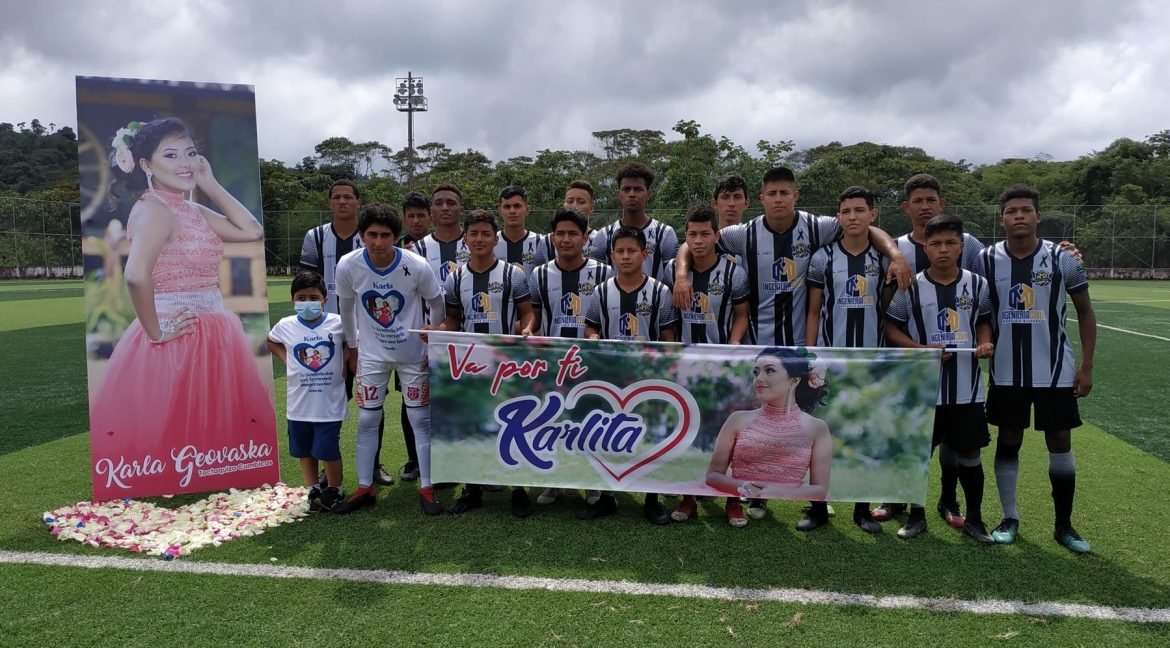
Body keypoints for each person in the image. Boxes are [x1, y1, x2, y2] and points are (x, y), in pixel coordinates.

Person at [673, 166, 911, 522]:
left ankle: (818, 503)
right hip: (760, 346)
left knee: (810, 424)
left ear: (795, 196)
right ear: (762, 198)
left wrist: (896, 255)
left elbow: (865, 227)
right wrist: (681, 274)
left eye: (785, 192)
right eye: (772, 193)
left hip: (801, 347)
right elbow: (693, 240)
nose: (779, 199)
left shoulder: (817, 227)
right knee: (758, 428)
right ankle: (756, 496)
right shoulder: (743, 234)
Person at [90, 117, 276, 491]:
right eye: (171, 155)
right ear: (145, 164)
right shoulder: (155, 210)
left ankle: (199, 476)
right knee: (175, 418)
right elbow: (135, 275)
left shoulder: (189, 208)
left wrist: (210, 184)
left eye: (190, 153)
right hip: (179, 329)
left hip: (212, 326)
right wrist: (156, 332)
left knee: (207, 416)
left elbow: (252, 231)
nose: (185, 163)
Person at [980, 185, 1097, 554]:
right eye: (1011, 211)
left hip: (1055, 370)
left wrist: (1087, 366)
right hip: (1006, 371)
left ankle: (1064, 525)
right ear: (1002, 218)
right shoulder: (984, 259)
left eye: (1026, 210)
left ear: (1037, 216)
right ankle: (1009, 517)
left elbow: (1085, 312)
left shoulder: (1062, 258)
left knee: (1060, 440)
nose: (1019, 216)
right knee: (1009, 439)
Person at [872, 173, 984, 527]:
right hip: (909, 358)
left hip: (957, 365)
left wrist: (1066, 249)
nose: (924, 207)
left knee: (952, 438)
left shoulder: (970, 245)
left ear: (941, 203)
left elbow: (983, 292)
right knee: (909, 435)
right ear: (906, 207)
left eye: (930, 200)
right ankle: (897, 499)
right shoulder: (895, 247)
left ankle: (949, 499)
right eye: (917, 201)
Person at [885, 214, 996, 543]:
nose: (943, 249)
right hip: (923, 390)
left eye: (950, 243)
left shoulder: (978, 285)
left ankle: (975, 519)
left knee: (970, 455)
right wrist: (922, 350)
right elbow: (891, 328)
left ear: (961, 246)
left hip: (967, 390)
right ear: (926, 248)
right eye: (935, 243)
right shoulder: (910, 286)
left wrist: (985, 342)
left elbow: (984, 321)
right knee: (919, 454)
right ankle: (916, 516)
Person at [334, 204, 446, 515]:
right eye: (372, 234)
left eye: (385, 235)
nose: (378, 242)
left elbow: (437, 302)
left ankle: (427, 487)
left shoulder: (416, 264)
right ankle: (364, 487)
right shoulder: (348, 265)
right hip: (371, 356)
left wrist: (434, 334)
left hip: (413, 356)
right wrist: (352, 347)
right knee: (367, 419)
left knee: (420, 420)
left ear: (396, 237)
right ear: (361, 235)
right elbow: (346, 308)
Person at [805, 186, 894, 534]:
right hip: (831, 361)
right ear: (838, 216)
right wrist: (811, 356)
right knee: (822, 436)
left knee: (863, 436)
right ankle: (817, 507)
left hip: (870, 364)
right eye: (846, 211)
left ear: (873, 214)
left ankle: (862, 509)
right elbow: (814, 311)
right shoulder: (822, 258)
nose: (852, 216)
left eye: (859, 210)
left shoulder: (884, 259)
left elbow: (889, 310)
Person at [437, 210, 538, 517]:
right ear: (465, 240)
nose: (479, 239)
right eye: (473, 234)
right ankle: (473, 489)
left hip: (507, 364)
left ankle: (518, 489)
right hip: (470, 365)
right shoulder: (455, 278)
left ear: (495, 239)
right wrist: (436, 331)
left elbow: (527, 312)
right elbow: (453, 319)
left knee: (513, 425)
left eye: (485, 234)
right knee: (472, 427)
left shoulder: (513, 275)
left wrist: (527, 329)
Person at [300, 180, 395, 488]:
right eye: (337, 197)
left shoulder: (371, 237)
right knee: (329, 403)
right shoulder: (315, 237)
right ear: (330, 202)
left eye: (348, 197)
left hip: (368, 334)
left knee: (372, 402)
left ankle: (374, 464)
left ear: (358, 201)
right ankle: (329, 468)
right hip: (327, 335)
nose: (342, 202)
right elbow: (306, 285)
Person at [662, 204, 751, 526]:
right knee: (690, 433)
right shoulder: (672, 271)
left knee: (728, 436)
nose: (698, 240)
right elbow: (667, 317)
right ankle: (689, 497)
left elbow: (742, 316)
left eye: (704, 234)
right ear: (685, 237)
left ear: (716, 235)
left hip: (724, 366)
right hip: (686, 367)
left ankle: (732, 500)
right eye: (692, 234)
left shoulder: (734, 273)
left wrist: (734, 346)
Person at [584, 226, 679, 524]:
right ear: (612, 256)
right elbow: (590, 326)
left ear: (644, 254)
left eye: (632, 251)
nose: (626, 256)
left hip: (649, 378)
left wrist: (666, 370)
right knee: (608, 436)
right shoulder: (601, 292)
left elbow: (668, 336)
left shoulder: (660, 292)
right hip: (611, 378)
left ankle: (652, 498)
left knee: (650, 436)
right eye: (620, 251)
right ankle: (607, 497)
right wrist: (593, 336)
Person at [529, 207, 612, 508]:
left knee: (590, 422)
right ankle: (555, 483)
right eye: (560, 233)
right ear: (552, 238)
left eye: (573, 234)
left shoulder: (603, 273)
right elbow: (534, 315)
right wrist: (527, 329)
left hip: (590, 361)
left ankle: (592, 483)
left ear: (585, 237)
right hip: (554, 362)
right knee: (554, 422)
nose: (566, 239)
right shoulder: (539, 274)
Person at [705, 347, 832, 504]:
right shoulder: (737, 419)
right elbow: (713, 476)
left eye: (769, 371)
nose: (759, 378)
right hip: (738, 501)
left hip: (786, 505)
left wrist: (777, 493)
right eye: (756, 372)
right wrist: (744, 487)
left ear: (794, 381)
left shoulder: (817, 428)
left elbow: (819, 490)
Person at [267, 271, 347, 512]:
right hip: (298, 406)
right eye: (301, 298)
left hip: (329, 405)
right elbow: (271, 341)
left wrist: (346, 363)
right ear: (293, 300)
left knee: (327, 450)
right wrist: (286, 358)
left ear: (324, 300)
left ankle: (335, 489)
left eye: (313, 298)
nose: (307, 303)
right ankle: (312, 489)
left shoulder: (338, 323)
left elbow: (355, 344)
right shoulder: (285, 325)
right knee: (304, 450)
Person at [392, 191, 433, 482]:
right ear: (404, 219)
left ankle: (445, 460)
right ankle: (414, 460)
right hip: (410, 338)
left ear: (430, 217)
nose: (416, 221)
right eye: (411, 216)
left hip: (445, 334)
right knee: (411, 400)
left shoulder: (450, 246)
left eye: (421, 215)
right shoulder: (397, 251)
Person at [588, 163, 679, 282]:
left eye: (638, 189)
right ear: (618, 194)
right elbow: (594, 277)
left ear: (648, 194)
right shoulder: (603, 236)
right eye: (626, 189)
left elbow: (673, 275)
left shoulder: (665, 234)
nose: (631, 194)